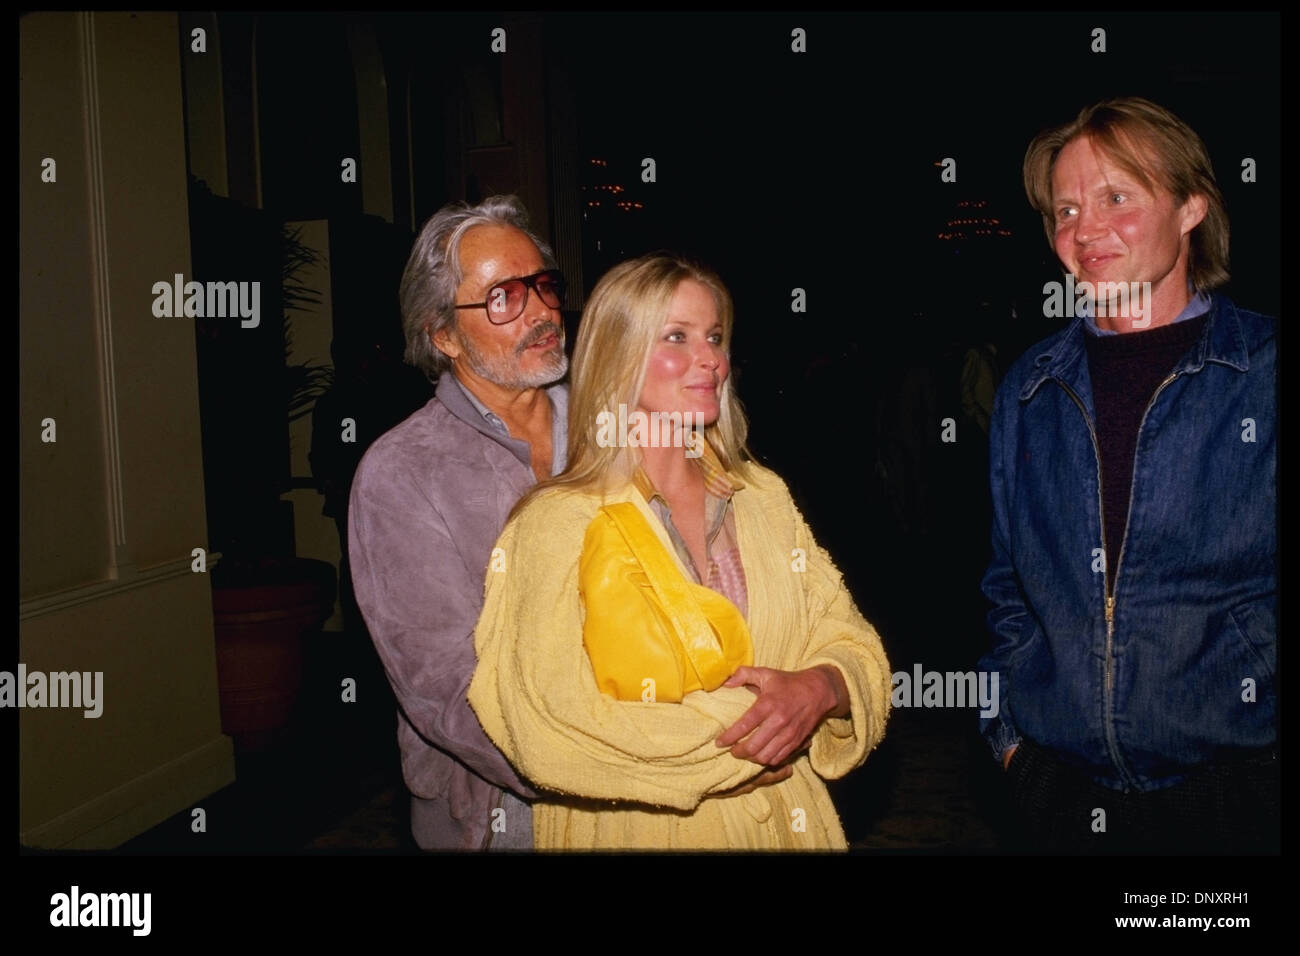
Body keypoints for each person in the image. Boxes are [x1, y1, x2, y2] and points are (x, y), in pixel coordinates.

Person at [468, 254, 892, 849]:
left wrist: (822, 687)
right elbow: (546, 720)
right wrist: (752, 745)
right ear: (617, 354)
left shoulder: (760, 498)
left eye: (715, 337)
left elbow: (851, 639)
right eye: (677, 337)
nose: (712, 359)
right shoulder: (556, 523)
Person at [979, 97, 1276, 852]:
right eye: (1065, 209)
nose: (1084, 231)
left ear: (1191, 209)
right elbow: (1006, 591)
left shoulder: (1264, 373)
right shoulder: (1029, 388)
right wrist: (1012, 747)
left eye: (1117, 197)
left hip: (1240, 797)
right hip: (1061, 799)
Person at [348, 195, 569, 850]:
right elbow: (445, 687)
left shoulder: (616, 426)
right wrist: (602, 765)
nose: (542, 311)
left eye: (543, 285)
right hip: (503, 817)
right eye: (504, 296)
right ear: (443, 335)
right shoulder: (402, 474)